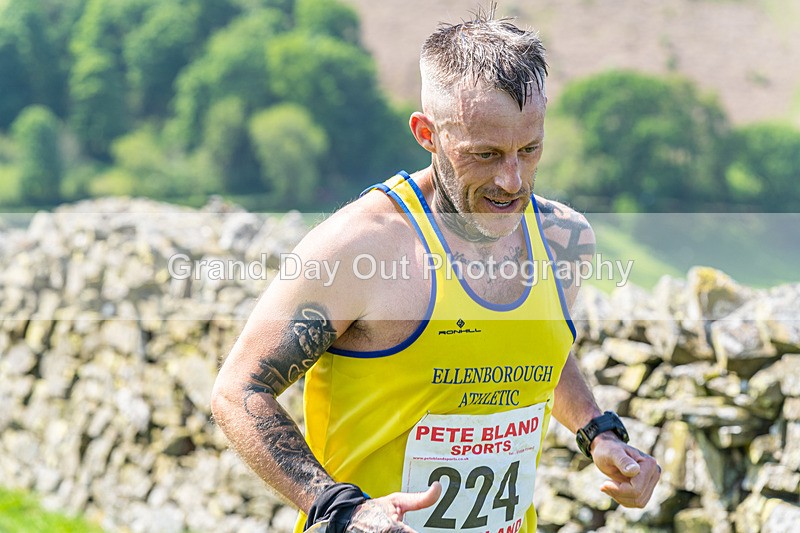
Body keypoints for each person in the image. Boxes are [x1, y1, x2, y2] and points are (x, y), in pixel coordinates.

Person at [211, 8, 660, 533]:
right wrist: (340, 508)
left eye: (529, 149)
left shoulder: (565, 241)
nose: (512, 180)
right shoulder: (362, 247)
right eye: (486, 154)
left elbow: (537, 350)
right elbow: (238, 391)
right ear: (427, 133)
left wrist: (598, 433)